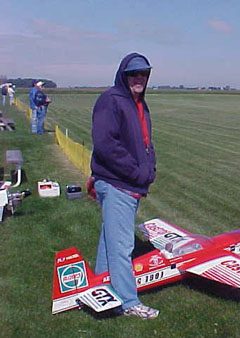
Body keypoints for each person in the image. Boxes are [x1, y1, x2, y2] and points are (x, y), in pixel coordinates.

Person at [89, 52, 158, 319]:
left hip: (128, 183)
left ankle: (101, 288)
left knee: (110, 241)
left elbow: (144, 140)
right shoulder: (111, 100)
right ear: (124, 75)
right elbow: (105, 144)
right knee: (121, 246)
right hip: (118, 183)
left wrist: (150, 165)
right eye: (134, 73)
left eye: (143, 73)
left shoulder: (139, 102)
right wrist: (137, 171)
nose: (139, 78)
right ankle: (129, 302)